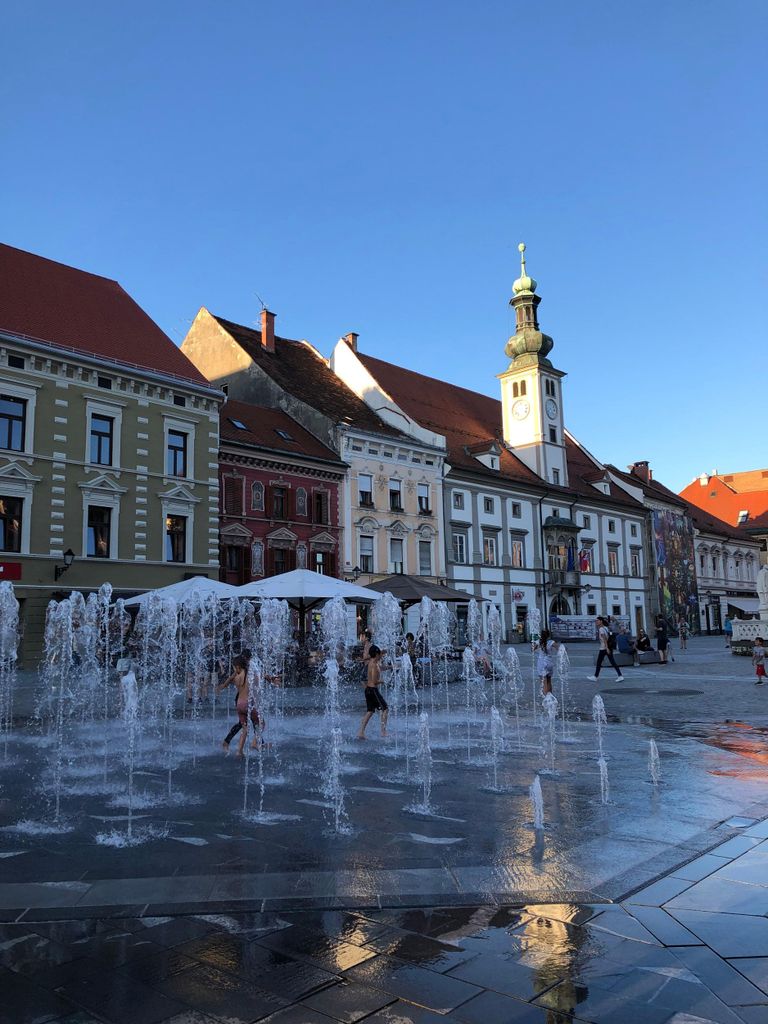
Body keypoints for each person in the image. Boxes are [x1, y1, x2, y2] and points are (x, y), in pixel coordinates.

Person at [357, 644, 388, 739]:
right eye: (379, 654)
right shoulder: (374, 665)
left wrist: (383, 652)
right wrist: (382, 681)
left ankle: (361, 732)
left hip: (368, 690)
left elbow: (373, 655)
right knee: (385, 709)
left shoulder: (371, 661)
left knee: (370, 711)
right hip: (373, 690)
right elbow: (375, 681)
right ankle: (383, 732)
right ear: (376, 654)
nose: (381, 656)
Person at [587, 616, 625, 683]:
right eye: (596, 621)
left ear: (601, 621)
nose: (596, 622)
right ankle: (620, 676)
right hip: (607, 647)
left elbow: (605, 639)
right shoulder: (606, 628)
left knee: (599, 662)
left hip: (604, 648)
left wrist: (606, 648)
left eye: (597, 620)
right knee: (611, 662)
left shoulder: (601, 629)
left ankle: (595, 677)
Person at [534, 629, 558, 695]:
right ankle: (551, 696)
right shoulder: (551, 642)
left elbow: (532, 649)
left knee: (544, 682)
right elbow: (558, 647)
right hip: (549, 662)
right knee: (549, 681)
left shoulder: (538, 642)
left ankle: (546, 698)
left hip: (542, 663)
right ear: (548, 635)